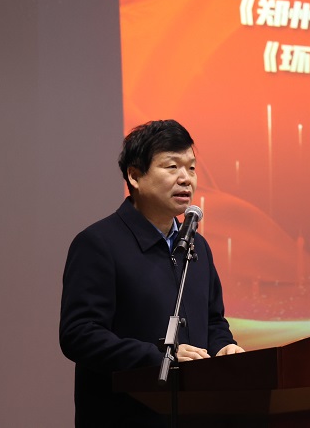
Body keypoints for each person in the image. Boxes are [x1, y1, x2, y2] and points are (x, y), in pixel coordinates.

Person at [60, 119, 244, 427]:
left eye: (192, 168)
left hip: (194, 414)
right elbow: (80, 335)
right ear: (135, 176)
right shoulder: (99, 243)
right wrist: (156, 358)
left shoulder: (197, 246)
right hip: (125, 415)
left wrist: (223, 347)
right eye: (172, 167)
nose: (186, 178)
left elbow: (213, 321)